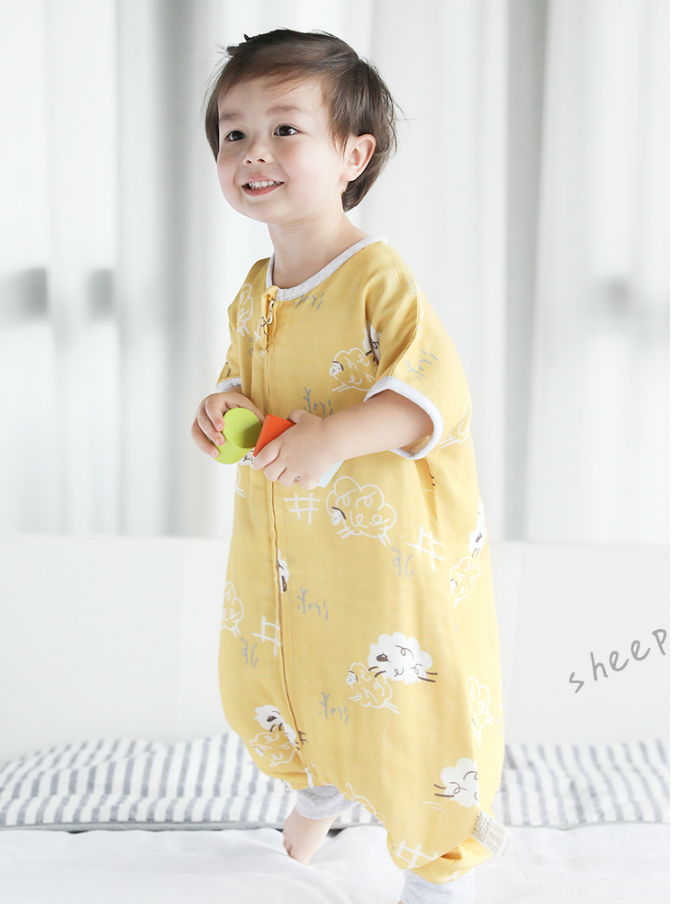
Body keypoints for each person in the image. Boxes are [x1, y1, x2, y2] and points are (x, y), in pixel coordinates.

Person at [191, 28, 507, 904]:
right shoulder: (255, 289)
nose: (254, 152)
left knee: (400, 691)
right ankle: (318, 786)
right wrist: (221, 411)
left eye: (285, 130)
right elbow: (246, 391)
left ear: (352, 156)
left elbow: (433, 397)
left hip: (383, 551)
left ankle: (433, 863)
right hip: (294, 548)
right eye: (234, 133)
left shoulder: (376, 277)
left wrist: (332, 438)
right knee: (292, 666)